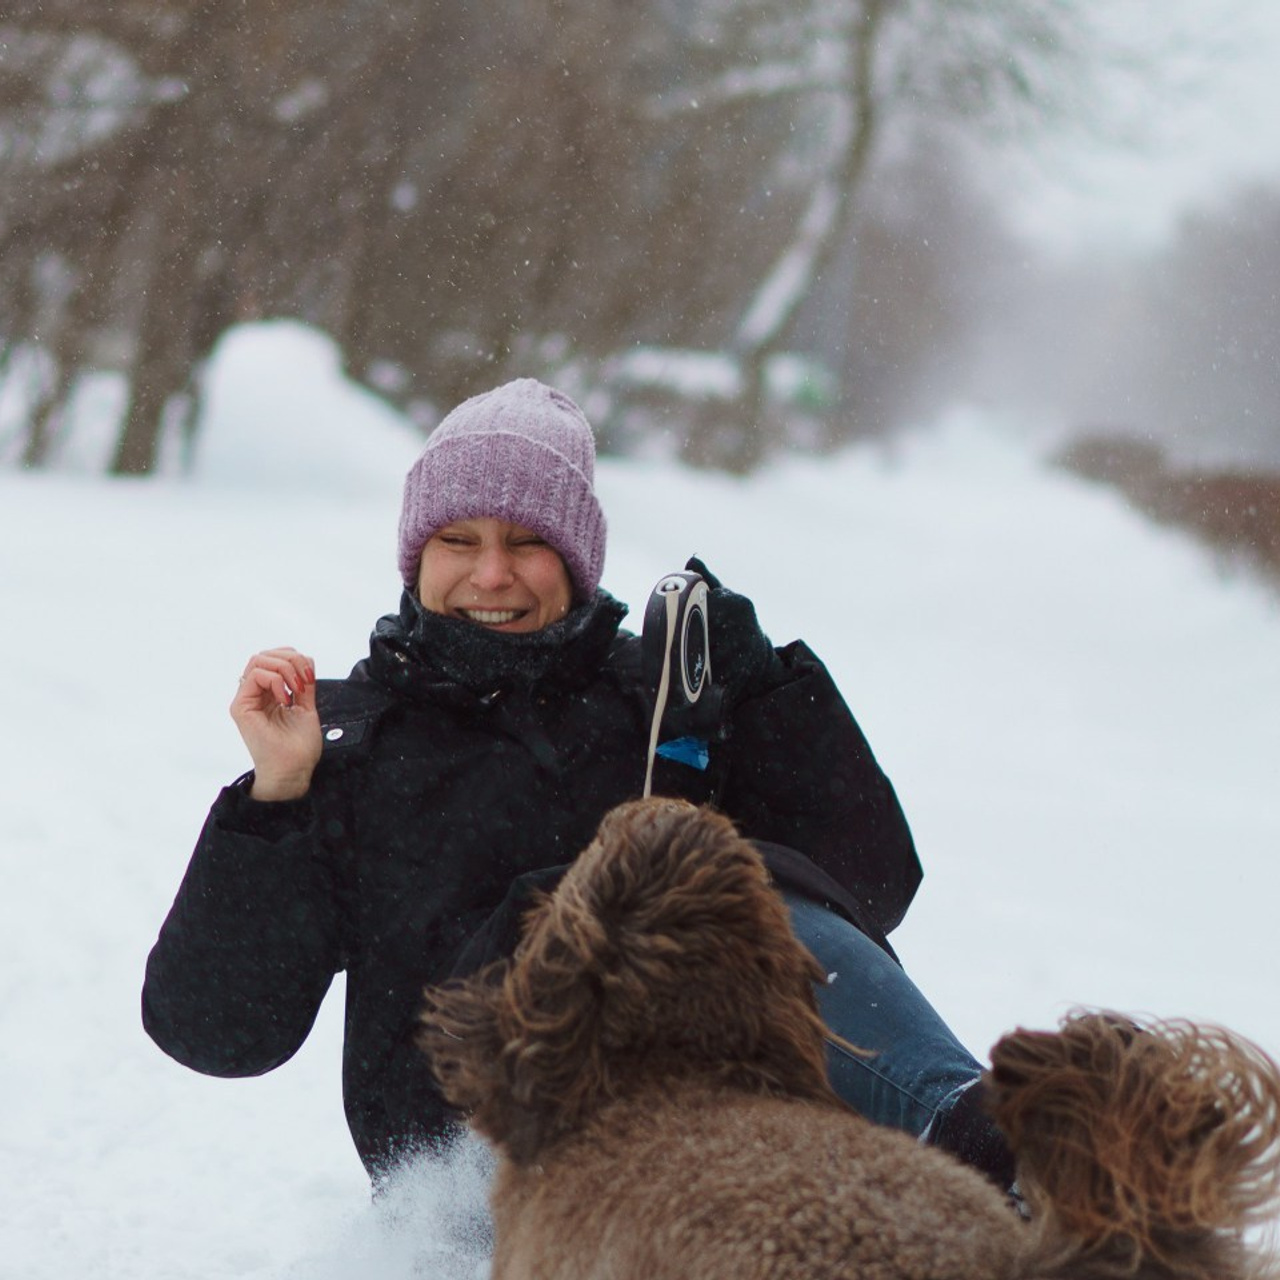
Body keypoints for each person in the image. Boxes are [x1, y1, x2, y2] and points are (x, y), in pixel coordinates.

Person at [142, 378, 1011, 1191]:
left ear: (578, 558)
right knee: (642, 890)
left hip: (694, 1143)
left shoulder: (662, 702)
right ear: (416, 557)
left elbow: (868, 888)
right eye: (458, 541)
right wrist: (278, 796)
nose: (491, 575)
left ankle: (1002, 1156)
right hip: (474, 1181)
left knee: (740, 892)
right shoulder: (359, 743)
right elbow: (216, 1032)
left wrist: (774, 699)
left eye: (527, 543)